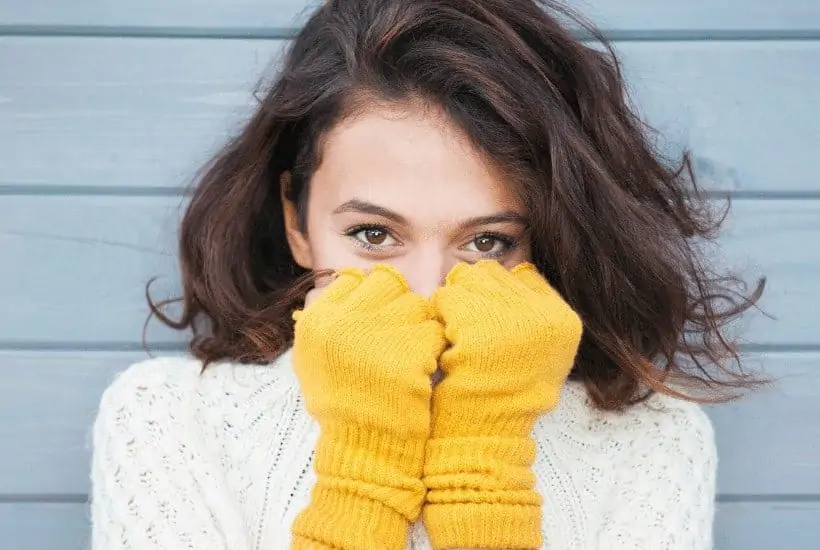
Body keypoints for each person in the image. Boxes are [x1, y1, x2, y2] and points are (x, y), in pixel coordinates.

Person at [90, 0, 764, 549]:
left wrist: (485, 469)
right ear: (297, 223)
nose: (428, 292)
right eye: (374, 235)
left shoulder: (652, 438)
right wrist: (363, 470)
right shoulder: (173, 421)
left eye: (488, 242)